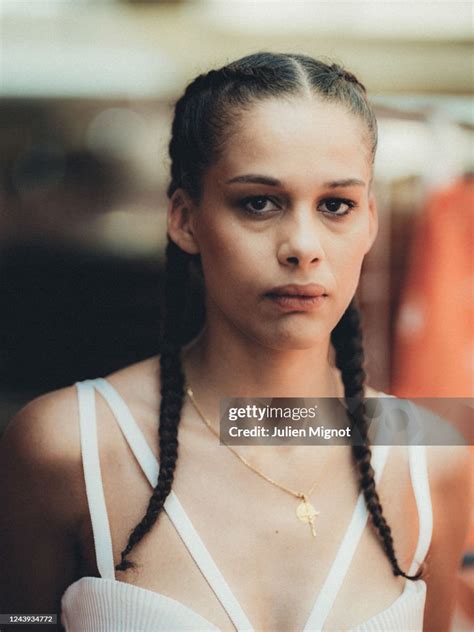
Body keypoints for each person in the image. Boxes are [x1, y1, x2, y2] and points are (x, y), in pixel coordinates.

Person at [0, 52, 470, 632]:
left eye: (335, 206)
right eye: (258, 202)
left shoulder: (431, 460)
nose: (302, 245)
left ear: (370, 221)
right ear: (184, 219)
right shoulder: (66, 448)